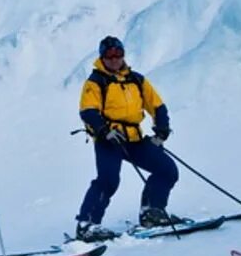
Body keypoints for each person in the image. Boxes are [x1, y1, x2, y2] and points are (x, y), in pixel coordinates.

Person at [74, 36, 183, 242]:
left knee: (167, 170)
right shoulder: (96, 82)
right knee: (108, 180)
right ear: (102, 58)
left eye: (118, 54)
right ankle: (86, 225)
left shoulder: (137, 80)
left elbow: (157, 105)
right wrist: (104, 131)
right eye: (109, 55)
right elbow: (88, 111)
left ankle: (152, 211)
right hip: (109, 139)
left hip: (134, 138)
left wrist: (161, 131)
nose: (114, 59)